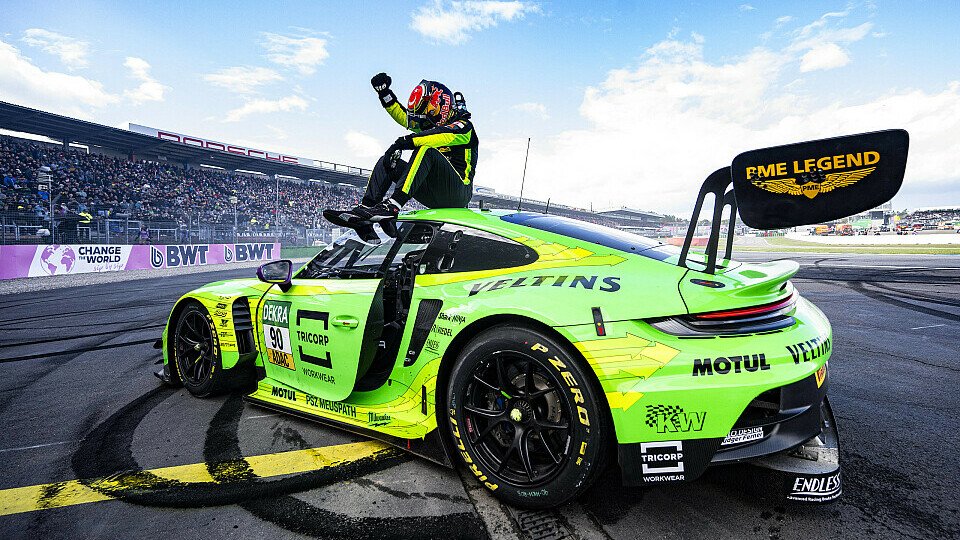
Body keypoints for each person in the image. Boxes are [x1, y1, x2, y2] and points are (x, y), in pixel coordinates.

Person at [324, 73, 479, 230]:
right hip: (434, 192)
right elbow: (405, 118)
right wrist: (384, 94)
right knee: (389, 160)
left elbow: (438, 137)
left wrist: (403, 142)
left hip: (459, 193)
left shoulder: (464, 127)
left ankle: (393, 206)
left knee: (426, 150)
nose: (422, 123)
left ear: (439, 108)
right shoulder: (432, 124)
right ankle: (364, 211)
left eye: (425, 117)